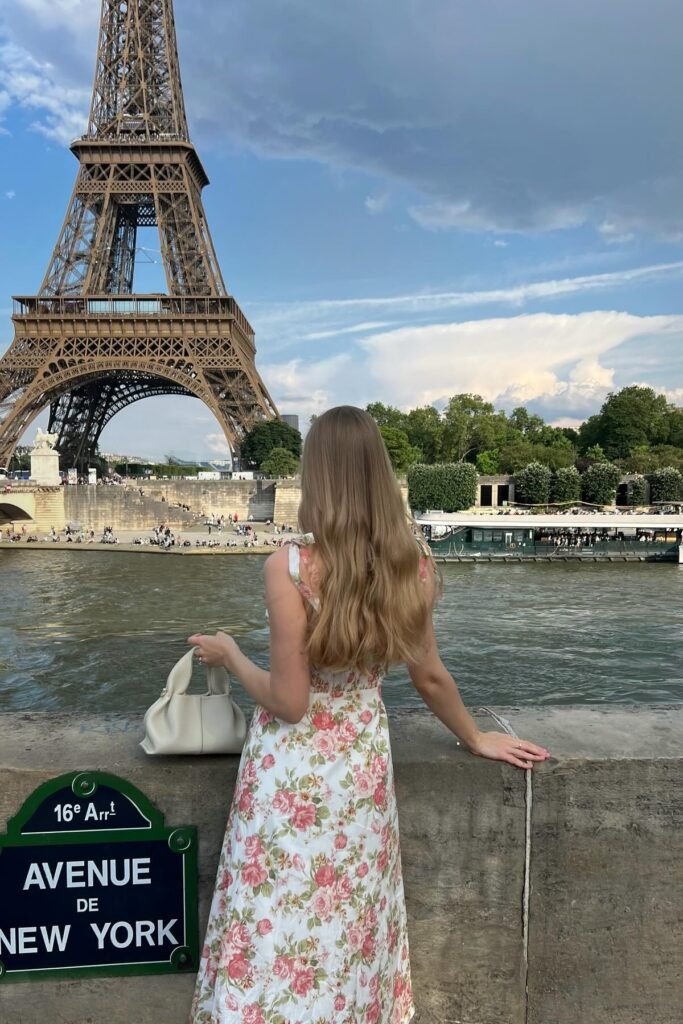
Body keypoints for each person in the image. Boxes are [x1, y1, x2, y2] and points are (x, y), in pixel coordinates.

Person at [188, 406, 550, 1024]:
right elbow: (429, 675)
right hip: (359, 771)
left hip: (291, 777)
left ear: (318, 477)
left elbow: (289, 702)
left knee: (274, 926)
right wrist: (475, 737)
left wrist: (231, 655)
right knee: (349, 925)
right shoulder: (414, 564)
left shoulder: (292, 566)